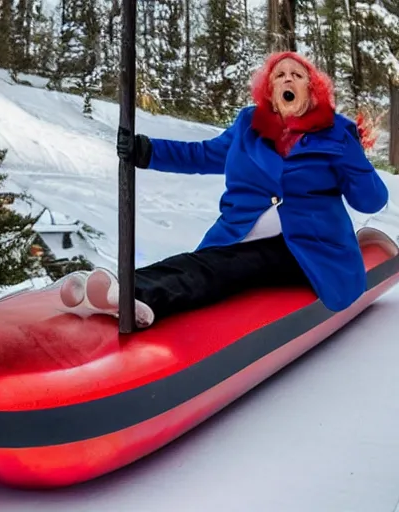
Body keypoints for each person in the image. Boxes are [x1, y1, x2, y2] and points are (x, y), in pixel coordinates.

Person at [56, 51, 389, 329]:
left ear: (311, 89)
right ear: (269, 91)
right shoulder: (248, 127)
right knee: (208, 262)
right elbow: (204, 155)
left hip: (307, 249)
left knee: (228, 267)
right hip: (239, 236)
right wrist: (147, 151)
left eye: (297, 75)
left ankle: (137, 293)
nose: (287, 79)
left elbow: (371, 199)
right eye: (279, 75)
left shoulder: (336, 136)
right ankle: (120, 286)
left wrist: (352, 153)